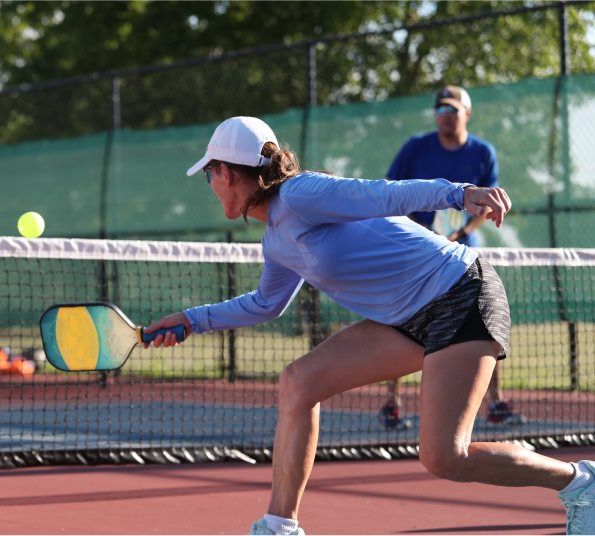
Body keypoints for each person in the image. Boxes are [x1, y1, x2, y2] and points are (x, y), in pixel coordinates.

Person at [143, 116, 594, 535]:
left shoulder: (301, 194)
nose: (210, 184)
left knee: (444, 457)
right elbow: (266, 304)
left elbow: (384, 194)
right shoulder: (276, 240)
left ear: (225, 172)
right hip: (404, 318)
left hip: (460, 293)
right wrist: (190, 320)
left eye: (209, 174)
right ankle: (280, 526)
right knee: (299, 382)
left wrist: (459, 193)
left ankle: (580, 482)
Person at [381, 85, 524, 430]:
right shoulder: (415, 148)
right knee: (400, 319)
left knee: (485, 322)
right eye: (440, 110)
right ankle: (391, 404)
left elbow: (488, 202)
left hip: (461, 257)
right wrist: (413, 235)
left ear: (467, 113)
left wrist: (458, 234)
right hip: (416, 251)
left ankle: (495, 403)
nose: (446, 116)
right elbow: (389, 192)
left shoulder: (482, 152)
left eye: (453, 110)